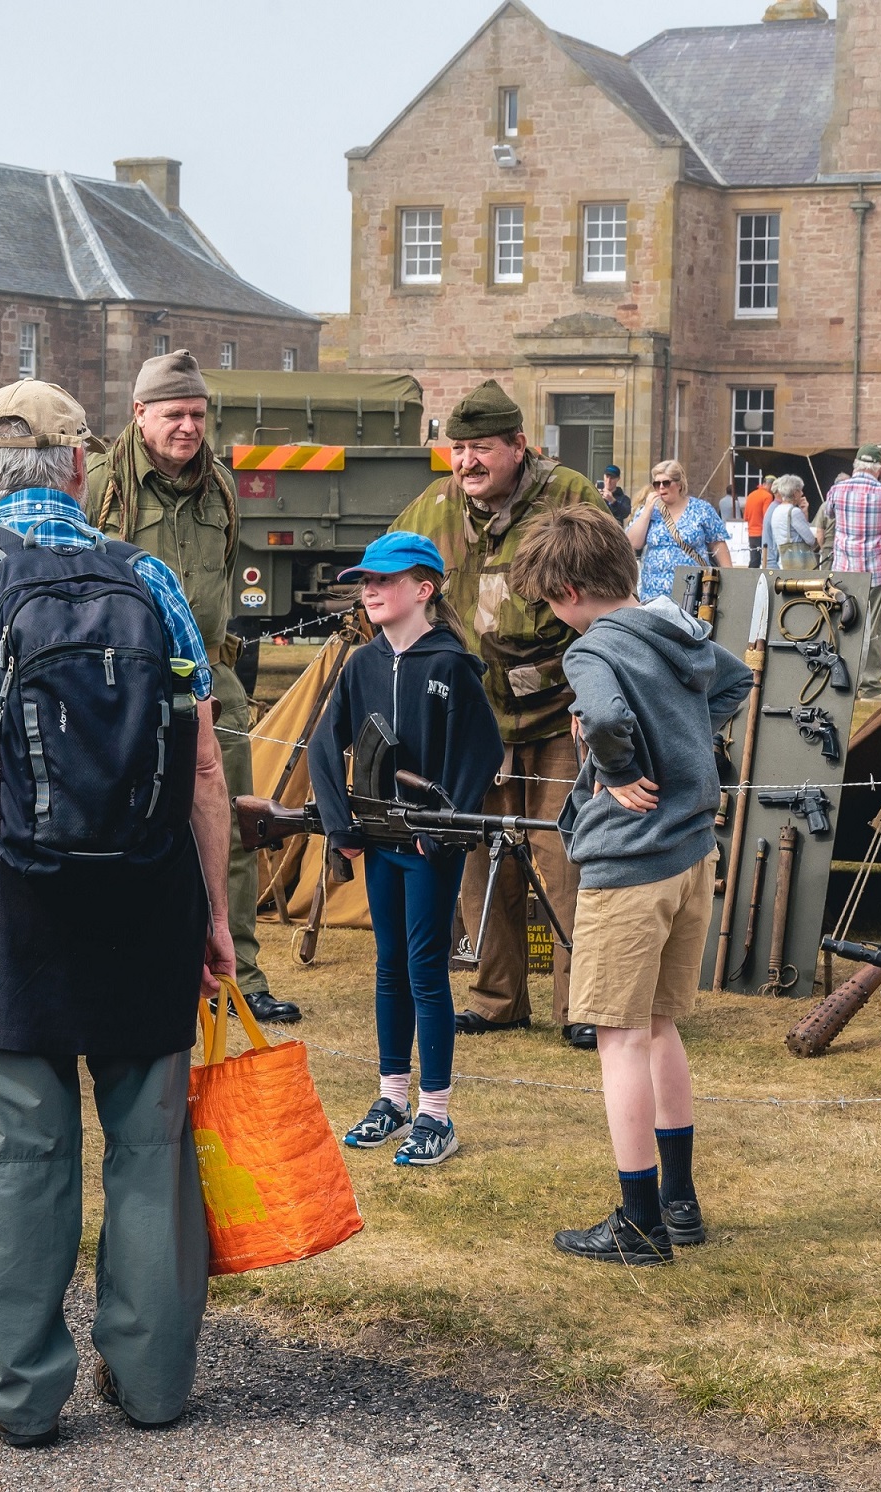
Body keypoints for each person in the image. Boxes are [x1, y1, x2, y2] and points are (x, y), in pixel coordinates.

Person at [0, 378, 231, 1447]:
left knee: (14, 1151)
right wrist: (213, 913)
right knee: (151, 1147)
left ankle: (19, 1391)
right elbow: (203, 761)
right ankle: (155, 1380)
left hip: (10, 901)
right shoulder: (150, 574)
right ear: (82, 466)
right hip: (146, 888)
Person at [508, 504, 749, 1267]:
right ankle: (680, 1202)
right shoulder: (676, 626)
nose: (555, 617)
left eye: (550, 603)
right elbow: (736, 682)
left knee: (618, 1037)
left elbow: (607, 717)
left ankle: (638, 1219)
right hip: (690, 855)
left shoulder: (593, 652)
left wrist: (617, 768)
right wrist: (686, 742)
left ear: (570, 589)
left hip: (629, 865)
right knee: (660, 1027)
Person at [389, 380, 605, 1047]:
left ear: (519, 445)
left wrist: (597, 701)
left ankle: (584, 1007)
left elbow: (609, 603)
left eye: (481, 448)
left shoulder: (571, 498)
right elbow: (388, 581)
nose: (467, 463)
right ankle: (497, 996)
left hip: (558, 710)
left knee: (564, 855)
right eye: (458, 450)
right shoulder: (434, 507)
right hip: (474, 719)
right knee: (481, 855)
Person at [89, 349, 298, 1025]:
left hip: (208, 679)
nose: (187, 427)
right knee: (120, 827)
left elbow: (227, 575)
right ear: (139, 413)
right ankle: (128, 961)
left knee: (228, 829)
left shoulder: (222, 488)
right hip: (120, 687)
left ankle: (243, 973)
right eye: (174, 413)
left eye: (198, 414)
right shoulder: (101, 484)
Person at [308, 532, 501, 1168]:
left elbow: (481, 754)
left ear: (425, 589)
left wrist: (441, 829)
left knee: (425, 970)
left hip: (425, 845)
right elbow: (320, 746)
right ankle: (391, 1098)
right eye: (364, 581)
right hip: (378, 840)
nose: (368, 591)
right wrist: (342, 829)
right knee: (389, 966)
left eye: (384, 581)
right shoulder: (361, 664)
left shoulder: (450, 665)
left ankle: (435, 1113)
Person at [823, 444, 881, 693]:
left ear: (855, 465)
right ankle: (869, 685)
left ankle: (843, 682)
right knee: (877, 627)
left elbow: (828, 512)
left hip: (846, 567)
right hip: (880, 567)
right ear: (879, 468)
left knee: (845, 623)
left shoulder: (837, 490)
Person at [627, 458, 733, 604]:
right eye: (657, 484)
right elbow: (634, 543)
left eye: (666, 483)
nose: (661, 488)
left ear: (679, 484)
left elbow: (718, 545)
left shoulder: (701, 509)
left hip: (692, 591)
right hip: (654, 594)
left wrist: (730, 580)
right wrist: (647, 510)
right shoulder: (649, 511)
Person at [764, 474, 817, 571]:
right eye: (800, 490)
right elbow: (810, 540)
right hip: (799, 563)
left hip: (783, 561)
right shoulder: (794, 512)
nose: (802, 493)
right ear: (795, 493)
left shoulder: (776, 510)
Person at [741, 478, 773, 568]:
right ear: (770, 485)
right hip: (762, 533)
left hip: (751, 533)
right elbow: (766, 516)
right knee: (767, 561)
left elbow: (745, 517)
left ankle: (749, 579)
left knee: (754, 560)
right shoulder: (767, 496)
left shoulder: (751, 495)